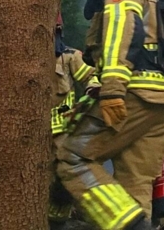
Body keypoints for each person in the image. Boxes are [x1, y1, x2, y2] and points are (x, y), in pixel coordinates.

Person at [56, 0, 164, 230]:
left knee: (72, 157)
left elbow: (121, 35)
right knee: (135, 180)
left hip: (133, 94)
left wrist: (112, 89)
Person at [49, 13, 98, 228]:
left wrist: (87, 98)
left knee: (64, 180)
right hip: (31, 136)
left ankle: (58, 221)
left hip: (63, 133)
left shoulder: (70, 56)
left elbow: (92, 79)